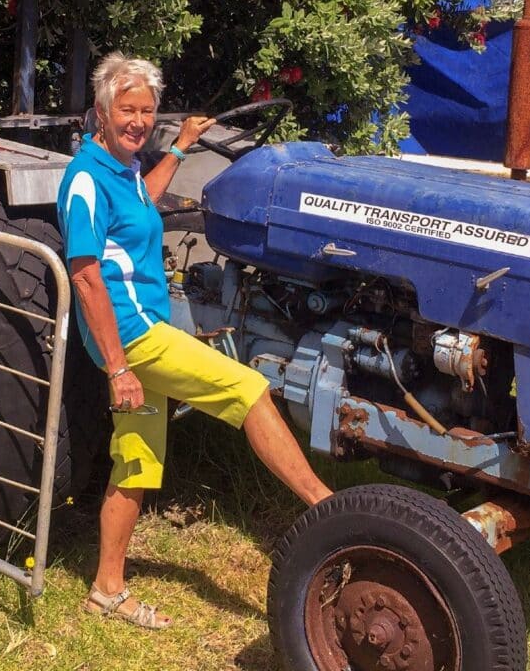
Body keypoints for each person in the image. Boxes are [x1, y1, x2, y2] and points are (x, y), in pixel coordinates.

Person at [57, 52, 333, 629]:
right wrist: (118, 368)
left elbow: (145, 202)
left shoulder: (124, 168)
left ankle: (107, 589)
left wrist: (180, 146)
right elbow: (85, 277)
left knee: (135, 461)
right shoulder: (84, 177)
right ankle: (329, 509)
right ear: (101, 112)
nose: (137, 120)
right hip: (134, 339)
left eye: (147, 111)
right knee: (249, 386)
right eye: (127, 109)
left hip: (141, 334)